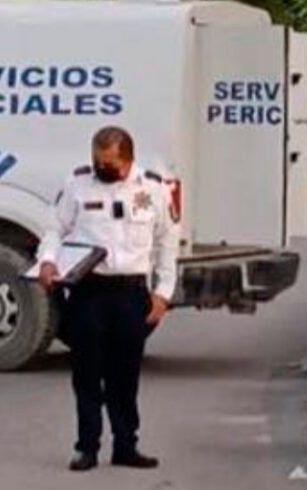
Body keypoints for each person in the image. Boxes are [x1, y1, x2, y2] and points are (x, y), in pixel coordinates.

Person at [37, 126, 180, 471]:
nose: (102, 169)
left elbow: (167, 244)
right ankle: (86, 447)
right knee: (86, 374)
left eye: (109, 164)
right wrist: (47, 260)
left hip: (131, 294)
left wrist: (163, 295)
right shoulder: (78, 185)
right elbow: (55, 229)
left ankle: (126, 446)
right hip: (89, 291)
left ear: (128, 159)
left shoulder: (153, 190)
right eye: (97, 162)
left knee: (124, 376)